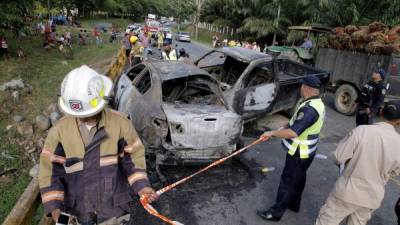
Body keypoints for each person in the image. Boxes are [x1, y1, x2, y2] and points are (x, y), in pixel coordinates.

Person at [39, 65, 158, 225]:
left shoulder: (120, 124)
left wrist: (142, 186)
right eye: (77, 115)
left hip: (114, 210)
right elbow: (50, 171)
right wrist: (55, 207)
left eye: (87, 114)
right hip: (77, 212)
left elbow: (133, 159)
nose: (81, 118)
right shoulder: (59, 132)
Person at [315, 100, 400, 225]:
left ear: (381, 111)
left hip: (347, 191)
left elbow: (339, 157)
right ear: (398, 122)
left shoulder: (362, 131)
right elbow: (394, 171)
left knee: (327, 221)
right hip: (372, 196)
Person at [257, 75, 325, 221]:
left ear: (306, 88)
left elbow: (294, 132)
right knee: (299, 178)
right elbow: (296, 123)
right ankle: (294, 203)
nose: (300, 88)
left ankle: (275, 213)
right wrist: (284, 126)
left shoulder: (309, 109)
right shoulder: (316, 103)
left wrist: (271, 133)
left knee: (287, 182)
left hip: (299, 152)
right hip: (308, 152)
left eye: (301, 86)